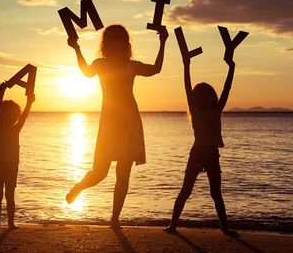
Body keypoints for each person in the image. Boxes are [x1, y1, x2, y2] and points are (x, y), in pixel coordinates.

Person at [65, 24, 168, 229]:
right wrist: (76, 49)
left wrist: (163, 41)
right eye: (111, 38)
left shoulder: (132, 65)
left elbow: (156, 69)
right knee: (100, 171)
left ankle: (114, 219)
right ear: (106, 43)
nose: (116, 42)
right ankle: (79, 187)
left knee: (123, 174)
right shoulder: (101, 64)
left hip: (129, 123)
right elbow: (86, 72)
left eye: (119, 38)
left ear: (125, 43)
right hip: (109, 123)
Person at [164, 54, 237, 235]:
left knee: (215, 193)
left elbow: (227, 89)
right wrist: (186, 65)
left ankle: (225, 228)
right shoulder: (194, 110)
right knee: (186, 190)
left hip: (212, 155)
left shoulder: (216, 110)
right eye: (201, 95)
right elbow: (187, 87)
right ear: (196, 98)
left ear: (212, 97)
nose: (204, 98)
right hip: (197, 153)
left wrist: (231, 67)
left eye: (207, 95)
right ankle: (173, 225)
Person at [0, 82, 35, 231]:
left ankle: (10, 223)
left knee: (10, 195)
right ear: (2, 115)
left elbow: (25, 115)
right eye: (8, 114)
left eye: (14, 115)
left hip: (11, 166)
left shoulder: (16, 129)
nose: (12, 117)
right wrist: (1, 91)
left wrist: (29, 102)